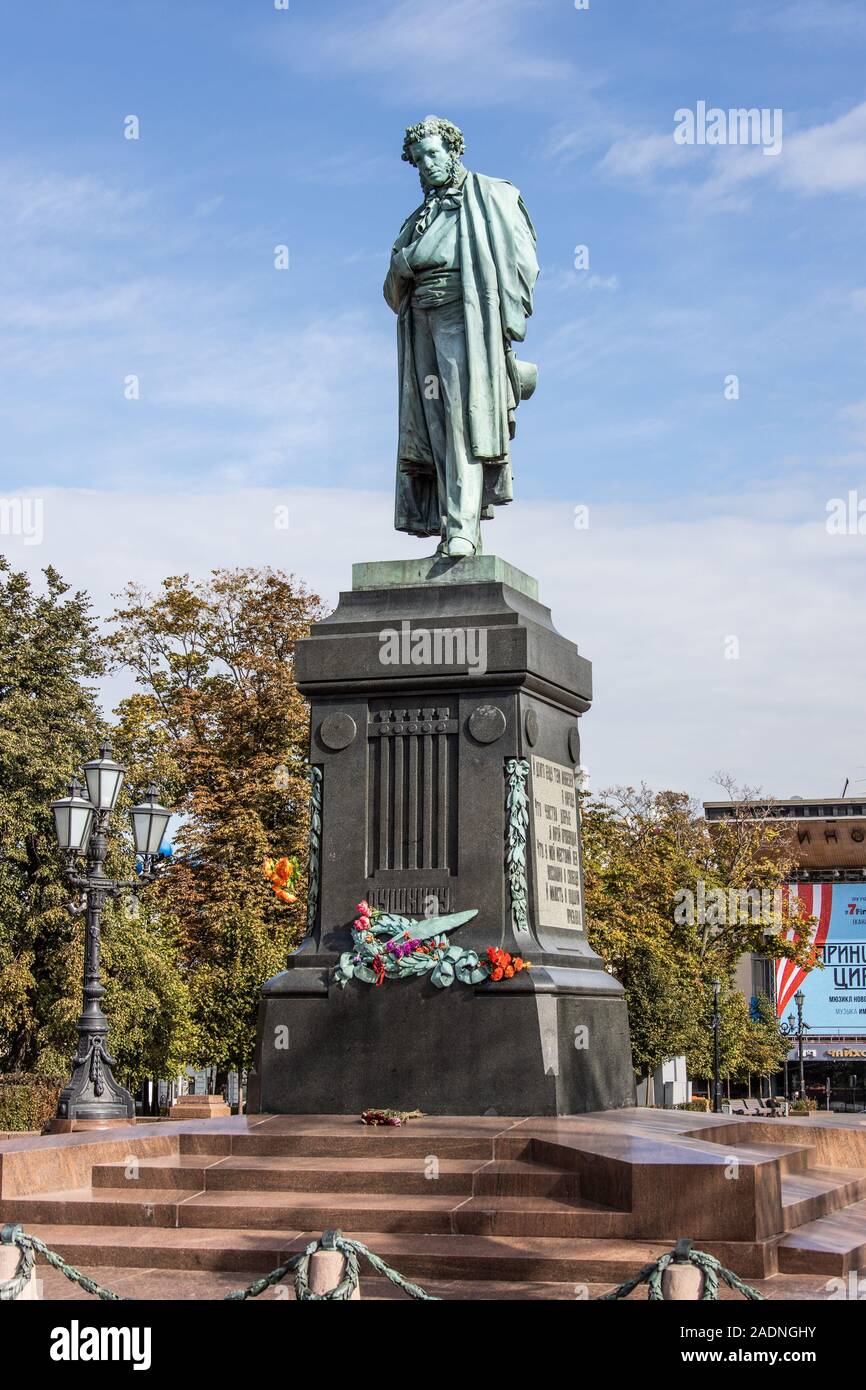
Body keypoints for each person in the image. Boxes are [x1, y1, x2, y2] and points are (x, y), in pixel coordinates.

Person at [385, 116, 538, 557]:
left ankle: (463, 529)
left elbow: (524, 260)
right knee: (432, 427)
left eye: (433, 155)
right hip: (420, 318)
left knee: (463, 420)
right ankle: (454, 527)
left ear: (454, 151)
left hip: (466, 314)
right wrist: (407, 263)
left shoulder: (493, 195)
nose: (426, 166)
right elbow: (391, 289)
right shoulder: (414, 221)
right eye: (418, 161)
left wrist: (506, 322)